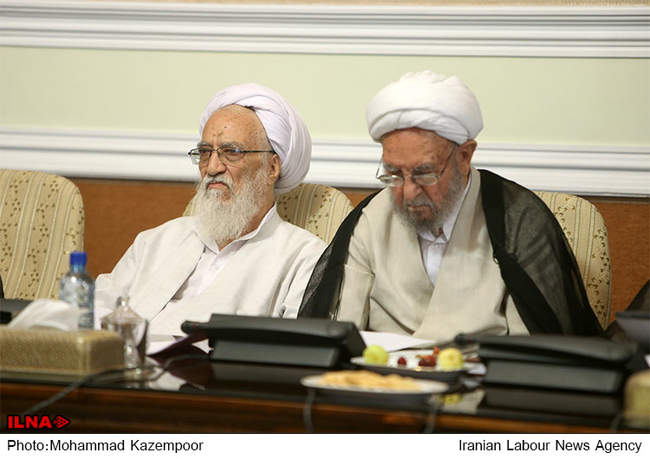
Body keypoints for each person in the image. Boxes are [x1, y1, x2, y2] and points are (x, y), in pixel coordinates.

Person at [299, 71, 602, 343]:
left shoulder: (516, 221)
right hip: (381, 381)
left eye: (424, 173)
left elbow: (535, 352)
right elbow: (336, 336)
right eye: (394, 174)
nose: (408, 191)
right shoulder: (370, 221)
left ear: (465, 157)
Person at [96, 83, 326, 336]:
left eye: (231, 152)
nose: (213, 167)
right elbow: (97, 308)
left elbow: (298, 347)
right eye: (205, 152)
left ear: (272, 168)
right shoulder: (156, 241)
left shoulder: (304, 258)